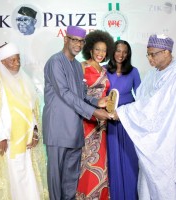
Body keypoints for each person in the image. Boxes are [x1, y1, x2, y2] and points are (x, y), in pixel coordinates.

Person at [112, 34, 176, 199]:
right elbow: (143, 100)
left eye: (153, 54)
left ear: (166, 52)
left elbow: (157, 105)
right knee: (149, 182)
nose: (150, 58)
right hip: (152, 139)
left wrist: (121, 113)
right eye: (148, 54)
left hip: (170, 141)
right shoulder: (153, 73)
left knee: (168, 181)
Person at [42, 26, 111, 200]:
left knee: (71, 181)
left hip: (74, 131)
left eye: (81, 41)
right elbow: (64, 93)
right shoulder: (55, 62)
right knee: (56, 181)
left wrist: (98, 102)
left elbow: (80, 95)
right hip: (57, 130)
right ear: (65, 39)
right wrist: (94, 111)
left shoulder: (76, 66)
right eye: (74, 40)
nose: (78, 44)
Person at [0, 43, 48, 200]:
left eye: (18, 59)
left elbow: (32, 110)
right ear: (2, 62)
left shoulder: (25, 81)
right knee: (10, 180)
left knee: (28, 177)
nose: (17, 64)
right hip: (6, 143)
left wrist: (35, 132)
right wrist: (0, 136)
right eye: (12, 60)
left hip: (26, 141)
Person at [76, 30, 114, 200]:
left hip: (103, 124)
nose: (100, 53)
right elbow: (76, 95)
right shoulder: (81, 67)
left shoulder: (106, 71)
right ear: (90, 49)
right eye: (97, 49)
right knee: (87, 162)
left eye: (104, 51)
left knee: (101, 162)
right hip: (86, 121)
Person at [106, 40, 141, 200]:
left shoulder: (133, 72)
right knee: (112, 159)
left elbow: (140, 98)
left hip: (128, 121)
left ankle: (131, 195)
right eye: (118, 51)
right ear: (113, 52)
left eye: (125, 52)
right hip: (109, 121)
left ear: (128, 54)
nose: (121, 55)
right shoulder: (104, 70)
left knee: (129, 159)